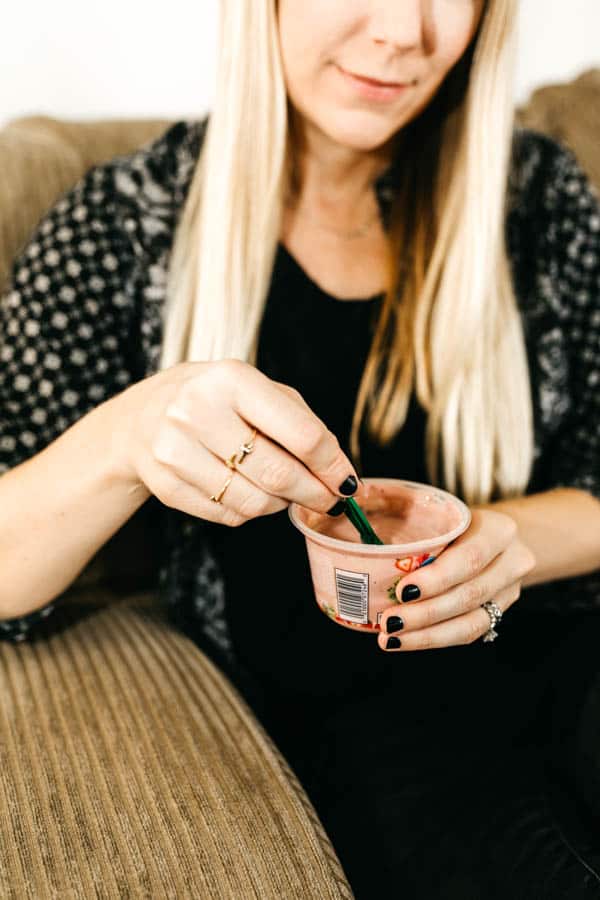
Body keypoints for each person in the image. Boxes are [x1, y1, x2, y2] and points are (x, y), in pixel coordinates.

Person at [1, 0, 600, 895]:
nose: (404, 31)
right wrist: (129, 435)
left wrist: (500, 546)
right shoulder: (122, 227)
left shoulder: (539, 196)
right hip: (360, 738)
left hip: (561, 660)